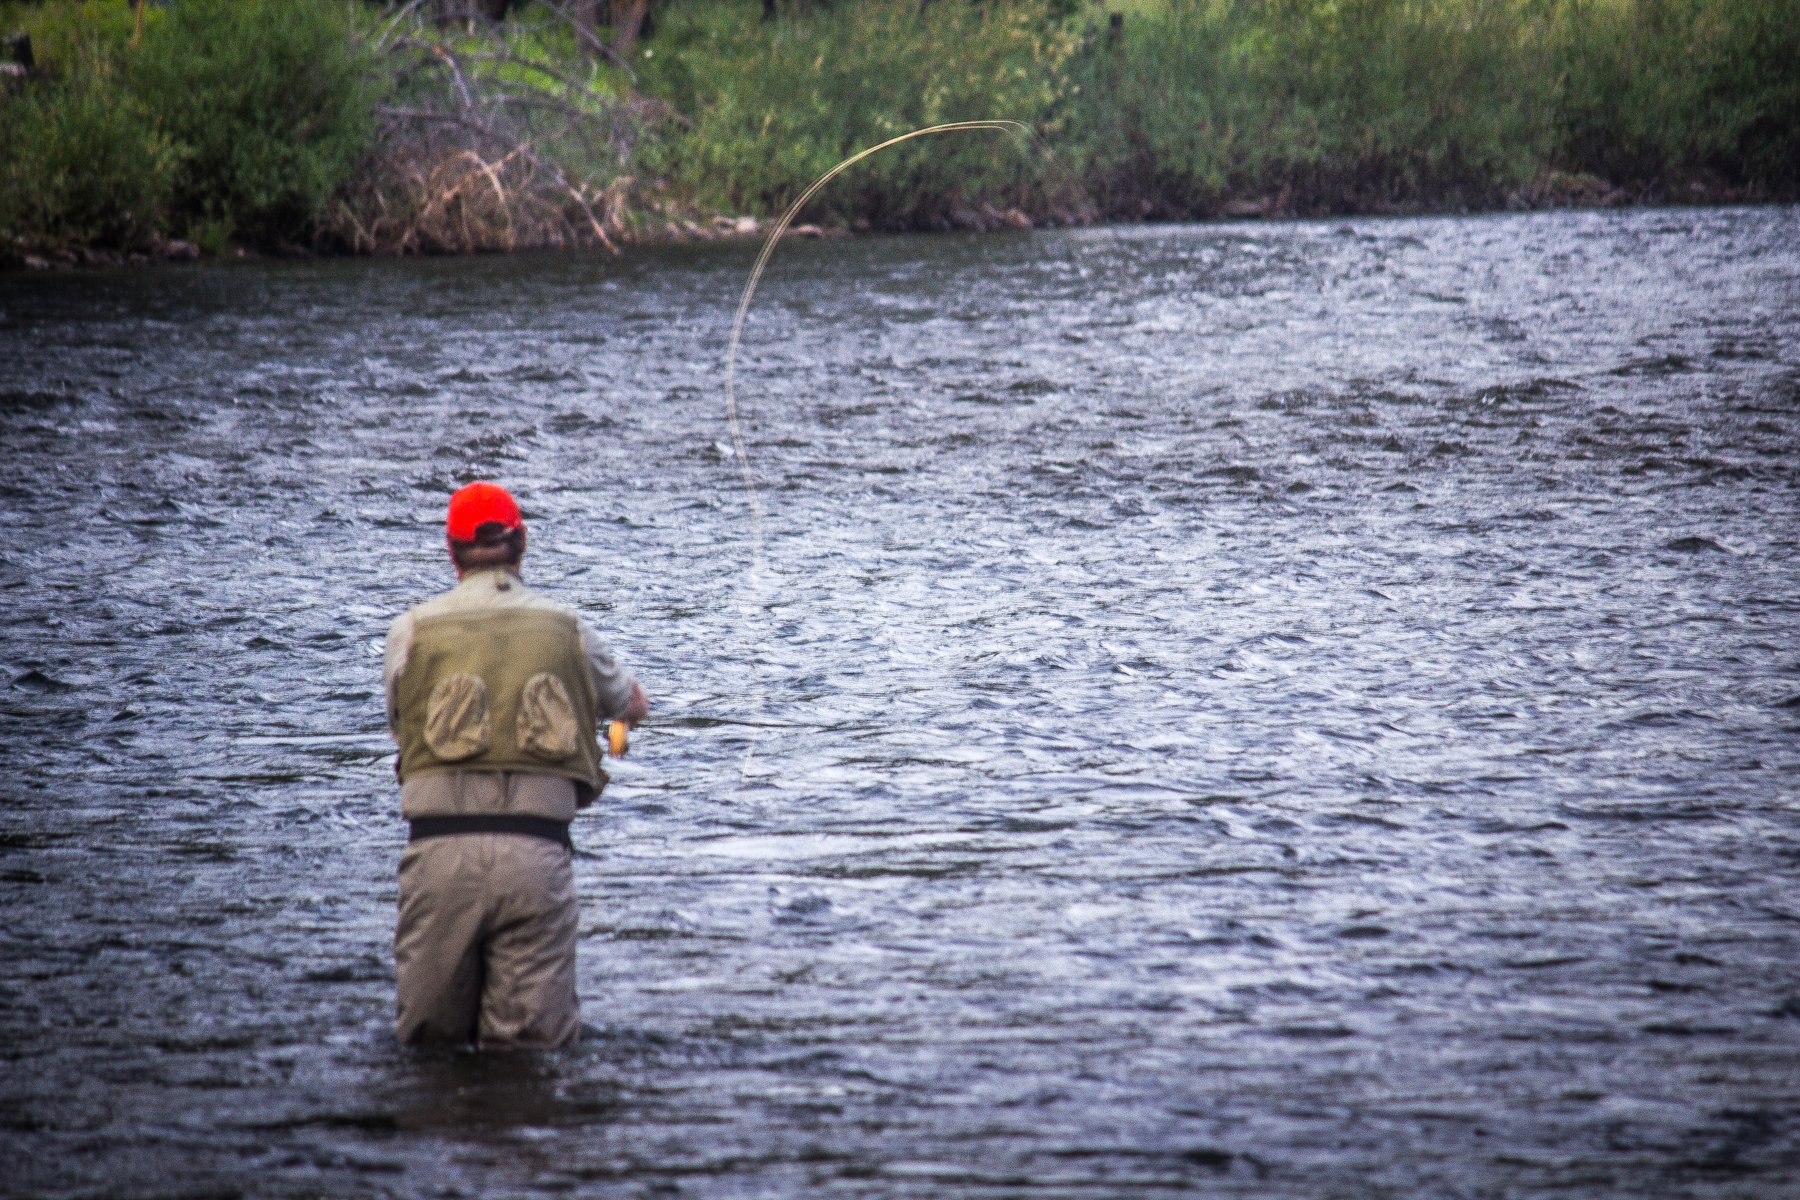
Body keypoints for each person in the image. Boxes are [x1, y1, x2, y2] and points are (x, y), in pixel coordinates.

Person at [383, 481, 649, 1049]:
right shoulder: (568, 627)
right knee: (533, 1056)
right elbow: (633, 706)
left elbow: (402, 731)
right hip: (537, 854)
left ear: (451, 551)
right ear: (521, 543)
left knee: (427, 1052)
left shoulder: (410, 631)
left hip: (436, 857)